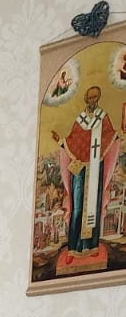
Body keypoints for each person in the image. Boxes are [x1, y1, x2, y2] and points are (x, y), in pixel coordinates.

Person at [51, 84, 120, 256]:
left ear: (98, 98)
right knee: (77, 209)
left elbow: (109, 135)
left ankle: (92, 246)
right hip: (79, 170)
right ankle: (73, 249)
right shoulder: (80, 119)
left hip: (96, 167)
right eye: (90, 97)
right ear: (86, 99)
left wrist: (117, 135)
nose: (92, 100)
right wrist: (60, 141)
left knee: (94, 208)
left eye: (95, 97)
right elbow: (73, 140)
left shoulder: (103, 117)